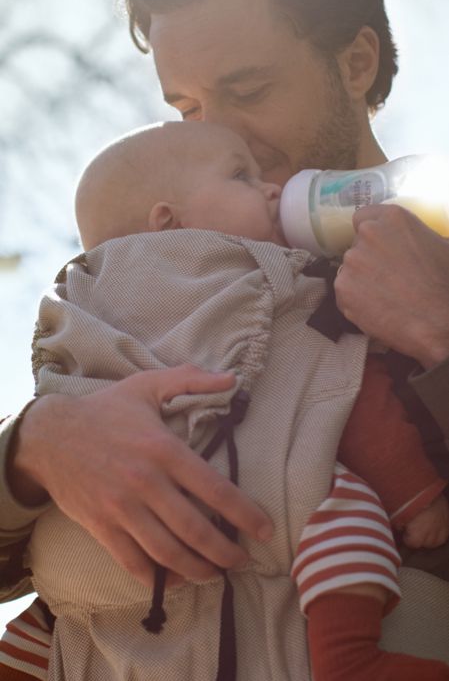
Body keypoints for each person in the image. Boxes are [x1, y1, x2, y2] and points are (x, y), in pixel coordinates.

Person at [1, 0, 449, 663]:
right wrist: (37, 449)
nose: (217, 136)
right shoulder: (161, 283)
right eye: (187, 108)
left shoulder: (438, 225)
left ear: (354, 61)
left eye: (247, 91)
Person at [1, 121, 448, 680]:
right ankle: (350, 659)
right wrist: (417, 499)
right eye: (243, 175)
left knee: (55, 608)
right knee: (346, 509)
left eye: (251, 89)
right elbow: (347, 392)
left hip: (118, 582)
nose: (270, 188)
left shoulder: (74, 316)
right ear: (170, 222)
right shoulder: (291, 289)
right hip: (257, 542)